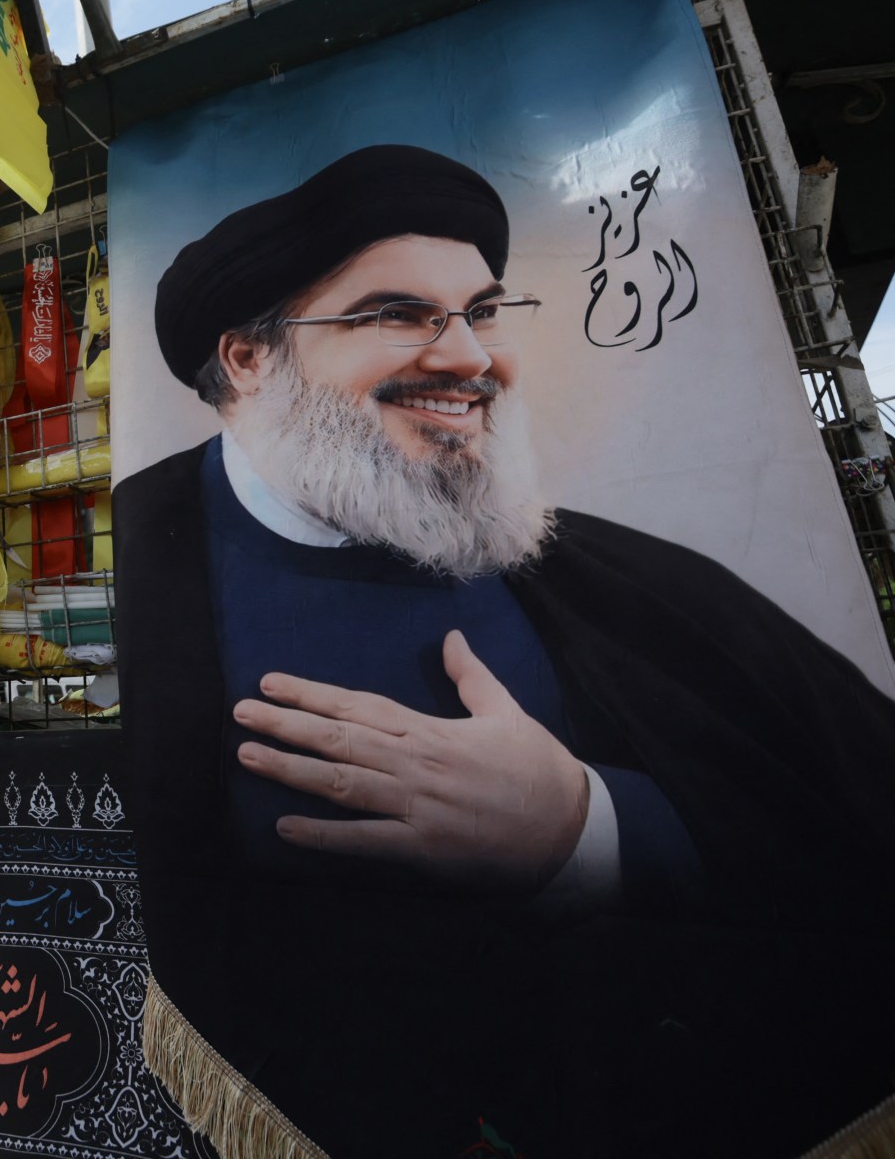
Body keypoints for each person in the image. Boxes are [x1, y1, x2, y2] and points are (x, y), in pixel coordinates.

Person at [116, 144, 895, 1157]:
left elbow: (848, 815)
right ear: (248, 358)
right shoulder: (140, 551)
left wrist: (582, 824)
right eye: (400, 314)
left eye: (481, 312)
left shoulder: (632, 587)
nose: (470, 359)